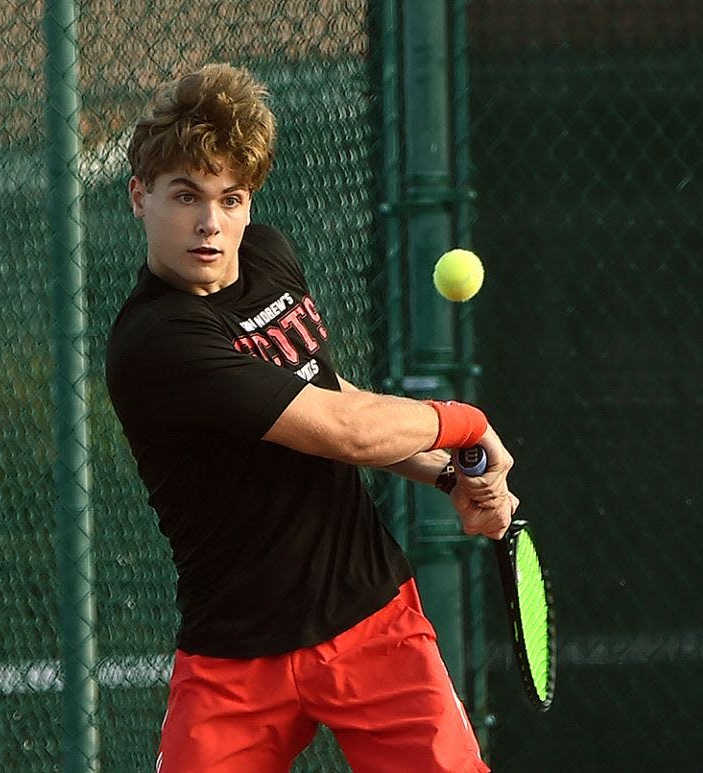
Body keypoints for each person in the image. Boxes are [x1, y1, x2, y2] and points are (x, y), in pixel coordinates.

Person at [105, 62, 519, 773]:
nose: (211, 222)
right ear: (139, 196)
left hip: (370, 620)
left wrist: (448, 472)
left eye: (231, 198)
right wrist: (464, 423)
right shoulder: (157, 342)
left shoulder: (270, 256)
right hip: (235, 656)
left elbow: (326, 393)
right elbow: (343, 430)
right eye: (186, 195)